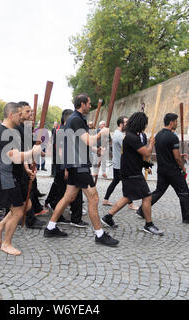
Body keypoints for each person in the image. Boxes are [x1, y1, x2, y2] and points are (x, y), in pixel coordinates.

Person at [44, 93, 119, 247]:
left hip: (75, 164)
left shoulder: (75, 119)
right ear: (82, 104)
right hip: (78, 166)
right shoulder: (76, 119)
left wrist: (94, 149)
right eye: (89, 103)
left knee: (68, 197)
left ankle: (50, 227)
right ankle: (100, 234)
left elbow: (79, 142)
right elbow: (89, 139)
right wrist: (101, 133)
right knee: (94, 198)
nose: (90, 106)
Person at [0, 102, 42, 255]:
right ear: (11, 115)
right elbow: (14, 157)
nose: (22, 117)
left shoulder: (13, 132)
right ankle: (6, 244)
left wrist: (27, 169)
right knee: (18, 211)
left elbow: (20, 154)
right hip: (7, 178)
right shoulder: (2, 133)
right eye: (20, 114)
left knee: (27, 205)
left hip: (16, 176)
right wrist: (32, 152)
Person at [101, 112, 163, 235]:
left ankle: (108, 217)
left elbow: (135, 155)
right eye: (144, 124)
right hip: (132, 173)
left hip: (130, 171)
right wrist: (151, 143)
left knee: (127, 197)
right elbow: (146, 152)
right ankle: (148, 224)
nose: (145, 126)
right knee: (147, 196)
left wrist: (145, 165)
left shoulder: (131, 136)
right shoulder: (131, 137)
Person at [136, 113, 189, 225]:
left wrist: (180, 156)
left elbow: (168, 153)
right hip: (173, 171)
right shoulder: (173, 137)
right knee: (184, 192)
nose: (176, 123)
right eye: (176, 121)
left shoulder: (158, 135)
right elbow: (176, 156)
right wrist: (183, 167)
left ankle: (142, 210)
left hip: (162, 170)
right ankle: (187, 216)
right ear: (171, 122)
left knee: (158, 191)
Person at [44, 109, 88, 228]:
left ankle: (73, 216)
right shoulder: (62, 131)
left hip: (66, 166)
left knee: (68, 192)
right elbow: (61, 151)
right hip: (64, 166)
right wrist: (66, 168)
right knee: (62, 192)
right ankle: (61, 215)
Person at [16, 102, 46, 228]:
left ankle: (29, 217)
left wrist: (38, 150)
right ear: (20, 112)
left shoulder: (26, 127)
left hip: (26, 162)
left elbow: (29, 144)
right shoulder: (17, 128)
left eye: (31, 112)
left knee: (28, 190)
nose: (31, 114)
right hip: (19, 164)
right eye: (28, 111)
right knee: (23, 192)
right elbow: (20, 148)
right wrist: (27, 165)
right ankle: (25, 218)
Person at [103, 116, 128, 206]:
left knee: (116, 181)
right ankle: (130, 203)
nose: (128, 124)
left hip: (118, 163)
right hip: (119, 164)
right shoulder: (119, 135)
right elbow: (127, 147)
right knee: (126, 182)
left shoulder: (120, 133)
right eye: (126, 122)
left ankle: (105, 199)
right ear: (121, 124)